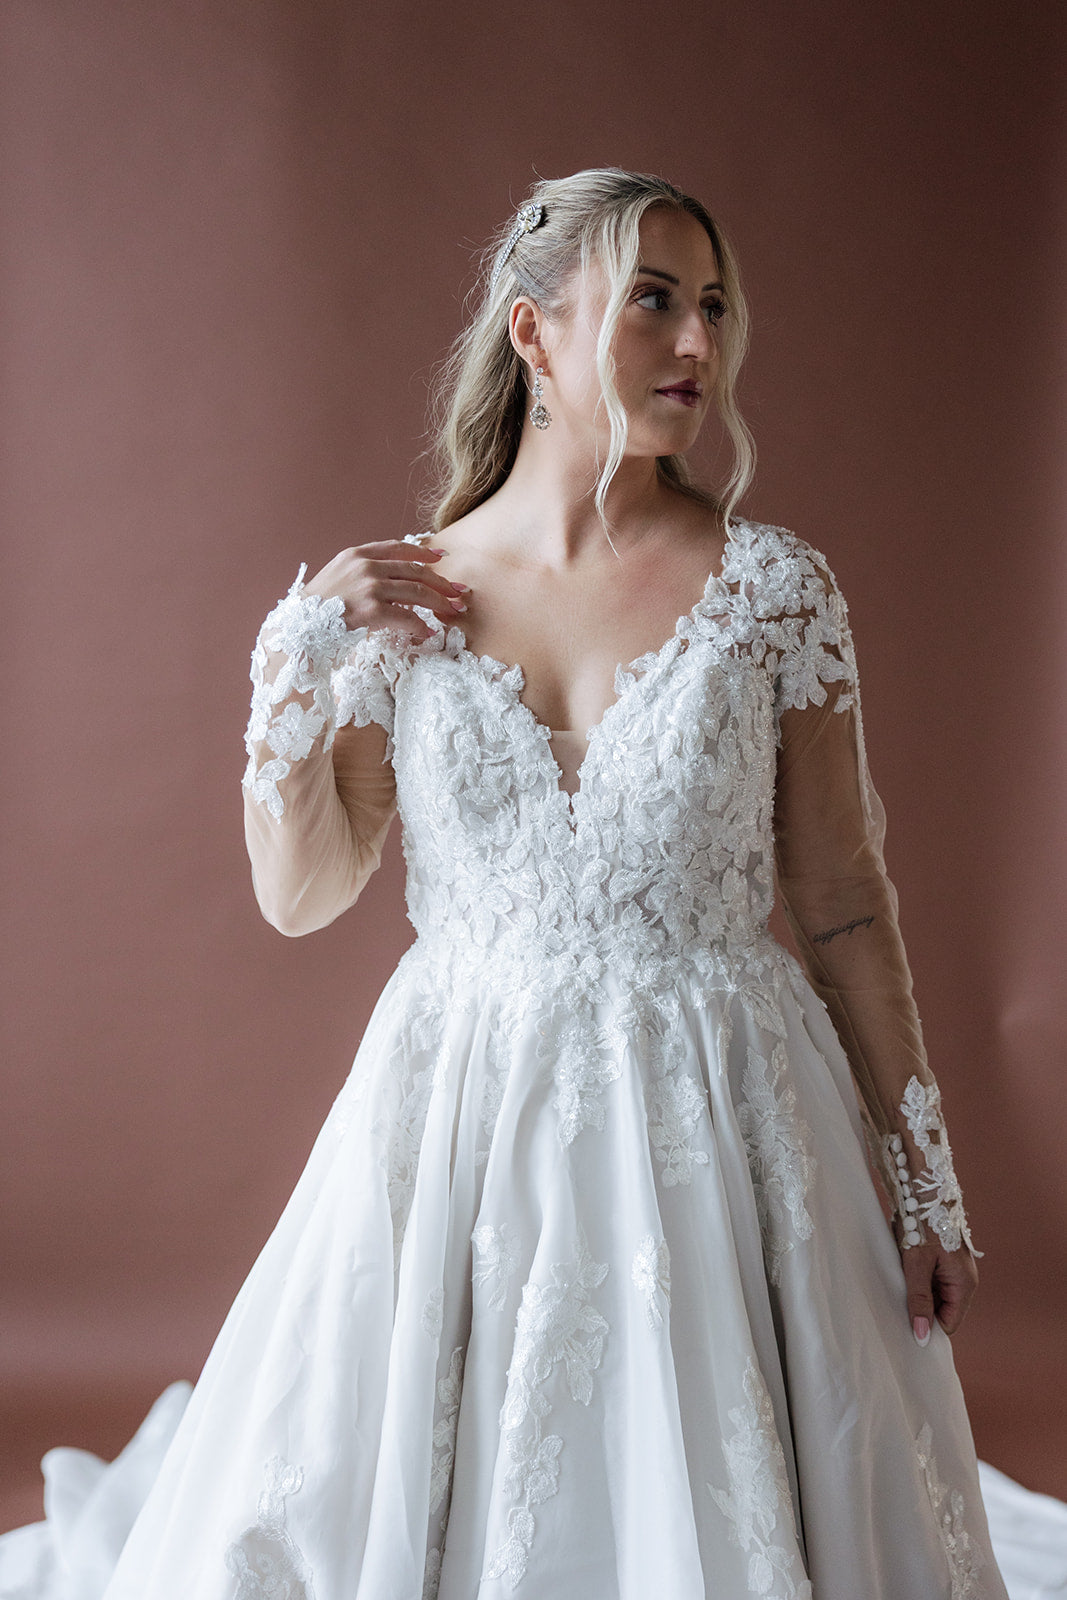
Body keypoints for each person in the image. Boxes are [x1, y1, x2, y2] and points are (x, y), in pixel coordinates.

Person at [0, 167, 1014, 1599]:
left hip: (726, 1128)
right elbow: (303, 892)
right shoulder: (406, 602)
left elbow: (844, 899)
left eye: (713, 305)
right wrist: (300, 659)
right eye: (653, 300)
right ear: (536, 333)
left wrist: (922, 1178)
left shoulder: (775, 591)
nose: (699, 343)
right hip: (462, 1123)